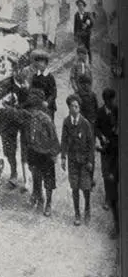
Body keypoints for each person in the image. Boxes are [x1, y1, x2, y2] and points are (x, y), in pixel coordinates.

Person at [4, 89, 60, 216]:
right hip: (34, 153)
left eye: (33, 108)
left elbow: (54, 138)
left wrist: (55, 154)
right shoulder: (27, 116)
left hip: (46, 154)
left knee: (49, 181)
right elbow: (15, 113)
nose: (31, 111)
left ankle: (49, 203)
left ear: (38, 107)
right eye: (30, 109)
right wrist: (5, 106)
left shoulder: (46, 120)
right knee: (36, 177)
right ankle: (39, 197)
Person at [60, 94, 95, 226]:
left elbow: (91, 145)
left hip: (85, 162)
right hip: (73, 161)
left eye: (77, 106)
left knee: (85, 187)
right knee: (74, 188)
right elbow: (63, 140)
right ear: (69, 108)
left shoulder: (85, 124)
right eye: (72, 106)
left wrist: (90, 161)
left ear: (79, 108)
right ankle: (77, 214)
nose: (75, 108)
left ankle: (87, 208)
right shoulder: (66, 122)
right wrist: (63, 157)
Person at [0, 66, 31, 188]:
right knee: (9, 147)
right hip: (10, 120)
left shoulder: (27, 85)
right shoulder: (7, 82)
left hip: (22, 118)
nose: (17, 71)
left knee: (26, 147)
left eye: (18, 68)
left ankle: (27, 177)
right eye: (14, 69)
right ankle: (14, 173)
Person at [95, 88, 119, 237]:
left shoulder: (117, 109)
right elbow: (96, 127)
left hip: (115, 148)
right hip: (105, 148)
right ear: (105, 101)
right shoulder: (100, 112)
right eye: (110, 100)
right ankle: (107, 197)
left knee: (114, 173)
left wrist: (116, 129)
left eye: (113, 100)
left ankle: (112, 196)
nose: (112, 103)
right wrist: (102, 136)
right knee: (105, 173)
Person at [30, 49, 57, 119]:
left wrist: (47, 102)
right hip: (38, 106)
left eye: (42, 62)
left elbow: (53, 93)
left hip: (48, 106)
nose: (40, 64)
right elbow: (32, 90)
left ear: (46, 64)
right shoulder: (35, 76)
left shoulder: (50, 77)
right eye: (38, 62)